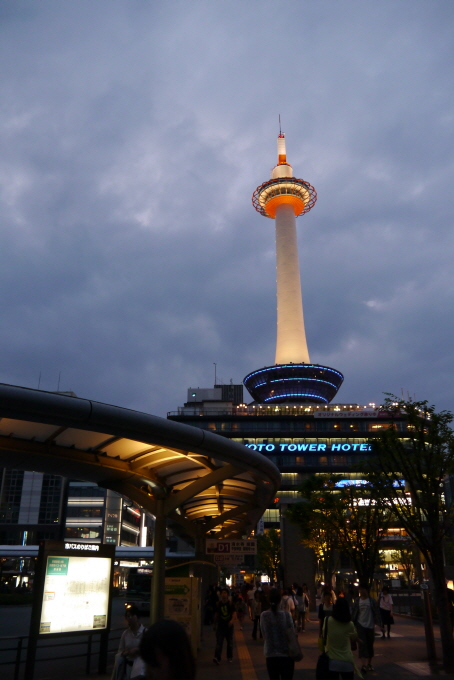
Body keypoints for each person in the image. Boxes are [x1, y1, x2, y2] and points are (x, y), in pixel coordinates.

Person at [260, 588, 296, 680]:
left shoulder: (264, 616)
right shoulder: (286, 615)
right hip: (286, 655)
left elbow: (264, 635)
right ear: (280, 600)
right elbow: (292, 633)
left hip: (271, 655)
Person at [322, 597, 358, 680]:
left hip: (332, 660)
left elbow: (324, 635)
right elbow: (354, 637)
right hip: (347, 660)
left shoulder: (328, 620)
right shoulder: (350, 624)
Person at [352, 584, 382, 674]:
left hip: (370, 625)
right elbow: (354, 613)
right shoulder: (357, 601)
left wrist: (380, 625)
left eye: (363, 589)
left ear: (366, 590)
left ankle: (369, 663)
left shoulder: (371, 601)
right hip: (360, 625)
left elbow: (377, 612)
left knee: (370, 644)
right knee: (362, 644)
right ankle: (363, 665)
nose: (361, 591)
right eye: (360, 590)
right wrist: (353, 625)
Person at [112, 605, 146, 680]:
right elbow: (120, 651)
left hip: (140, 669)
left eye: (131, 615)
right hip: (128, 667)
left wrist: (138, 650)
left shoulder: (145, 633)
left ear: (137, 617)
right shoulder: (126, 633)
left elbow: (150, 651)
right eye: (127, 616)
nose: (129, 618)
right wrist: (126, 653)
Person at [213, 587, 236, 664]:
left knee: (230, 642)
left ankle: (229, 657)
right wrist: (214, 624)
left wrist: (232, 621)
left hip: (229, 626)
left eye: (225, 593)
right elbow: (216, 614)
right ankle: (217, 657)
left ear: (228, 594)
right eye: (222, 593)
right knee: (219, 642)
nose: (224, 594)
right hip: (220, 625)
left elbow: (234, 613)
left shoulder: (230, 604)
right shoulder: (218, 604)